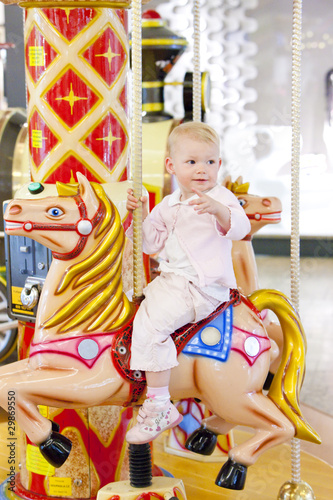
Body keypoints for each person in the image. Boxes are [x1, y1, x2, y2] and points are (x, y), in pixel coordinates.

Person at [125, 121, 251, 444]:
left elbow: (240, 228)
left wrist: (219, 211)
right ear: (171, 166)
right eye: (192, 162)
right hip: (173, 282)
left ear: (219, 165)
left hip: (202, 289)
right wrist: (140, 213)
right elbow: (150, 244)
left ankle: (158, 405)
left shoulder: (221, 197)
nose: (202, 170)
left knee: (150, 327)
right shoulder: (168, 205)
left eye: (210, 162)